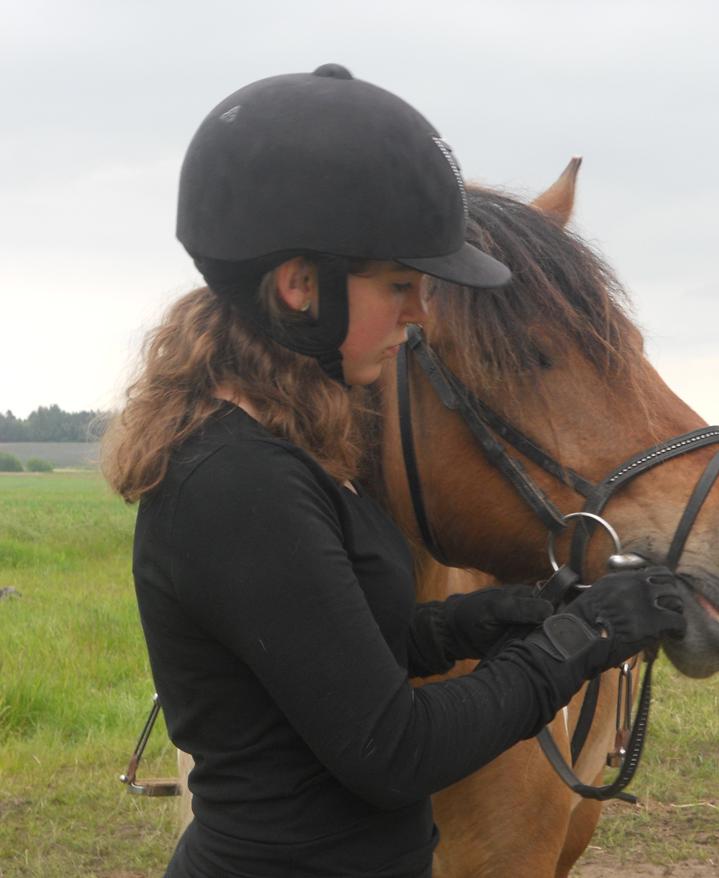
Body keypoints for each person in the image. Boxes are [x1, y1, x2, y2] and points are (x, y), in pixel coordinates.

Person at [102, 65, 687, 878]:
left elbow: (352, 646)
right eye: (400, 286)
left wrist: (499, 617)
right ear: (302, 287)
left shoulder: (293, 449)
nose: (418, 316)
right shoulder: (235, 483)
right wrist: (582, 639)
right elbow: (392, 750)